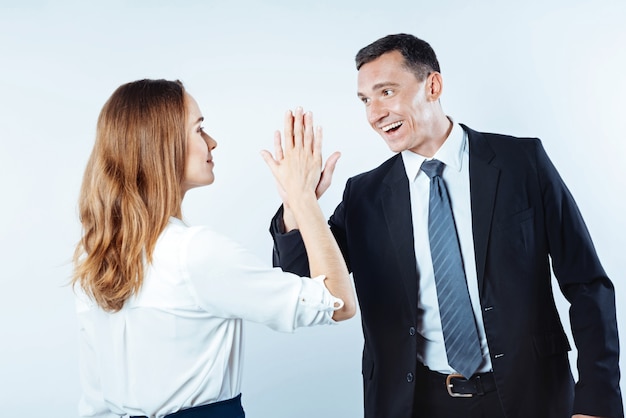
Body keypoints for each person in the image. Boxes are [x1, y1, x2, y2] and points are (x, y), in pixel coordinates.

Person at [267, 34, 623, 417]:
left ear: (432, 85)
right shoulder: (365, 195)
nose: (374, 114)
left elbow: (587, 285)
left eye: (386, 92)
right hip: (417, 402)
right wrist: (298, 200)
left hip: (531, 395)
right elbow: (304, 283)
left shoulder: (522, 163)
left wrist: (597, 401)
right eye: (366, 100)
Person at [72, 79, 355, 418]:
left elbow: (95, 399)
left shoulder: (95, 258)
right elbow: (337, 303)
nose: (212, 142)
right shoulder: (194, 253)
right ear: (163, 145)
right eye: (199, 129)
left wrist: (295, 210)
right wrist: (303, 198)